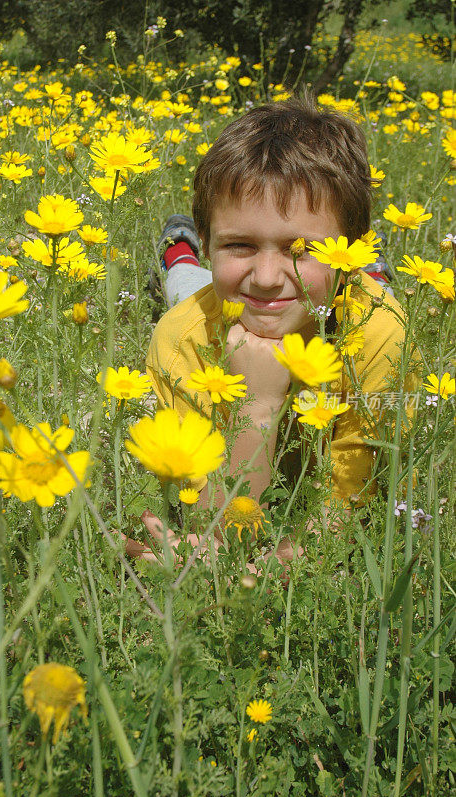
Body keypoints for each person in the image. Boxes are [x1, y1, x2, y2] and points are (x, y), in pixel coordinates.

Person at [126, 95, 417, 565]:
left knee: (362, 290)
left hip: (337, 291)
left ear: (346, 245)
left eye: (300, 247)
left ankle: (366, 268)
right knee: (184, 288)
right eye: (238, 244)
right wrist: (258, 405)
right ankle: (180, 246)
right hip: (217, 299)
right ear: (211, 243)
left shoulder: (383, 337)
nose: (265, 276)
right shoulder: (182, 337)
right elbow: (215, 522)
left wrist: (287, 563)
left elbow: (349, 509)